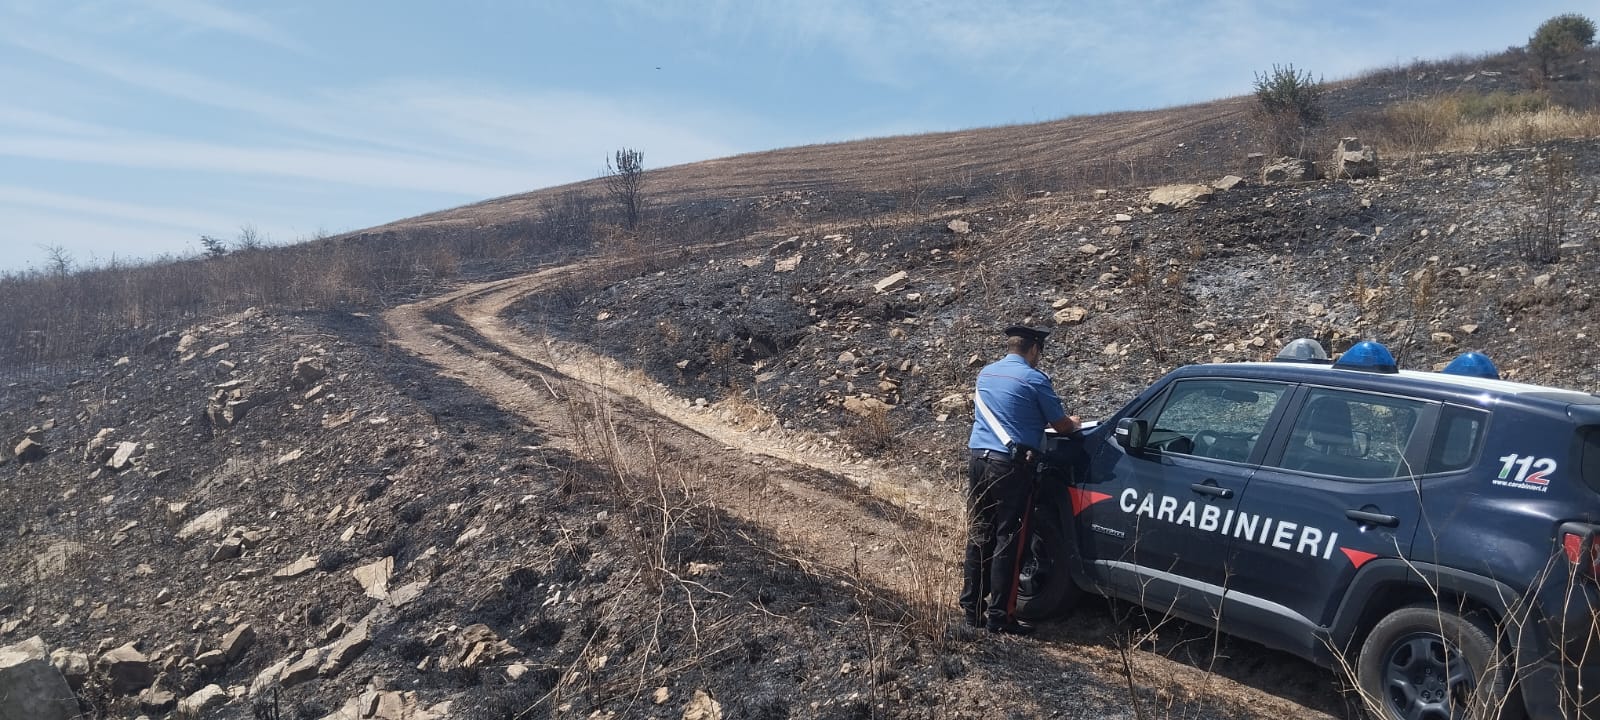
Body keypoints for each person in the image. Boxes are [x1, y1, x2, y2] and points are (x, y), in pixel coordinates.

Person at [963, 325, 1080, 635]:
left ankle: (970, 610)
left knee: (979, 534)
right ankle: (1001, 618)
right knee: (1009, 541)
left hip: (977, 460)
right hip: (1010, 467)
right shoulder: (1034, 379)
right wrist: (1075, 421)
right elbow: (1062, 425)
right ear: (1033, 350)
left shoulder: (986, 374)